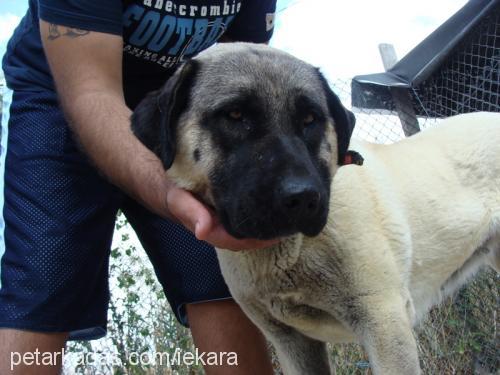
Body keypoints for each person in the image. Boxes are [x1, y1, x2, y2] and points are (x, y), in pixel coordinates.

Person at [0, 1, 278, 374]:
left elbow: (241, 71)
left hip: (176, 100)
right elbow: (92, 93)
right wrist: (167, 191)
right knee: (42, 279)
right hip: (66, 88)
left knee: (217, 274)